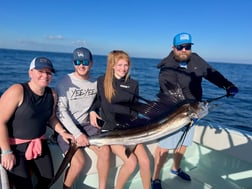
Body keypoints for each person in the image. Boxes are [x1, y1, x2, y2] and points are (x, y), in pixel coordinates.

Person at [151, 32, 239, 189]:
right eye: (180, 47)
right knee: (164, 148)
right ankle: (155, 178)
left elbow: (212, 73)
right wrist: (191, 110)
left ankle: (175, 168)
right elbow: (170, 95)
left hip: (192, 112)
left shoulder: (196, 59)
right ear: (173, 48)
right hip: (174, 113)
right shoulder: (167, 69)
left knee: (184, 142)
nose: (184, 50)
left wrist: (227, 85)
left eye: (187, 47)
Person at [0, 57, 74, 189]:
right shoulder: (17, 90)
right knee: (24, 185)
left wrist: (63, 132)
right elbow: (1, 121)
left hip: (39, 144)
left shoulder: (52, 94)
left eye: (49, 73)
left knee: (48, 179)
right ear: (30, 72)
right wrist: (6, 152)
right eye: (40, 71)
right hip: (15, 148)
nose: (45, 75)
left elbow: (51, 118)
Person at [89, 50, 151, 189]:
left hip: (129, 129)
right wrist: (92, 111)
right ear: (112, 65)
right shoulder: (102, 81)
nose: (123, 68)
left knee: (145, 161)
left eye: (126, 65)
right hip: (111, 131)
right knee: (131, 162)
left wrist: (138, 128)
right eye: (119, 65)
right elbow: (97, 102)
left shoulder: (133, 84)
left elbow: (135, 109)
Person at [55, 47, 110, 189]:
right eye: (77, 61)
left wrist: (93, 111)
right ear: (73, 63)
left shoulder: (96, 82)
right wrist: (77, 134)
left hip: (88, 126)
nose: (81, 65)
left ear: (91, 63)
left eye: (85, 61)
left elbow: (99, 103)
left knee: (105, 151)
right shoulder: (63, 82)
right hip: (68, 128)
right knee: (79, 162)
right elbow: (61, 111)